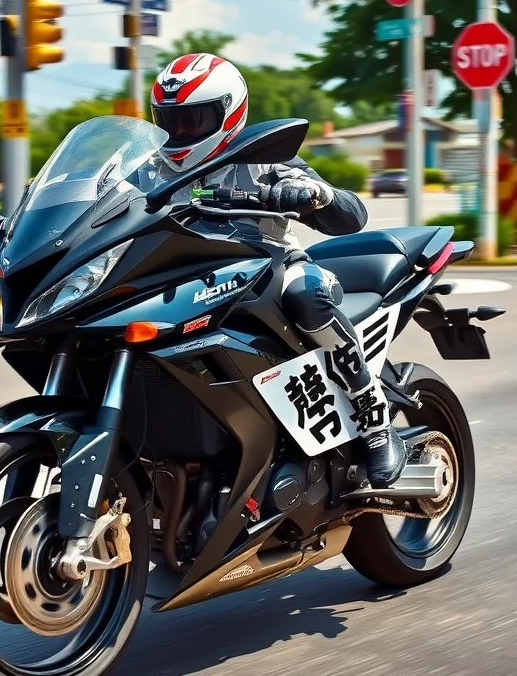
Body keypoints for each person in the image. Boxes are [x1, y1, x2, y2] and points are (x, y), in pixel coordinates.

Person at [149, 52, 406, 488]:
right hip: (188, 278)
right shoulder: (150, 169)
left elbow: (352, 215)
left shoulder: (263, 157)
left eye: (193, 121)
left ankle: (372, 415)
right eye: (170, 121)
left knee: (305, 298)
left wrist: (310, 193)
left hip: (271, 268)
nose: (180, 133)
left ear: (228, 113)